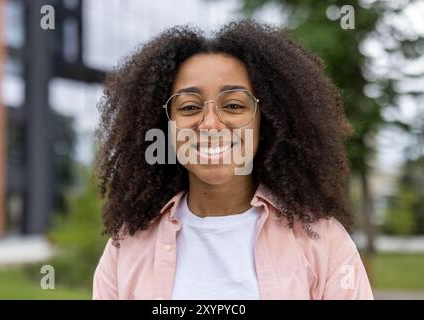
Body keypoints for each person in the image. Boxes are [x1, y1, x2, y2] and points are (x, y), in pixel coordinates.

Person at [92, 19, 373, 300]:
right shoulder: (126, 247)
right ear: (165, 125)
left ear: (268, 121)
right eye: (189, 107)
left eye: (234, 105)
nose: (211, 124)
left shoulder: (324, 244)